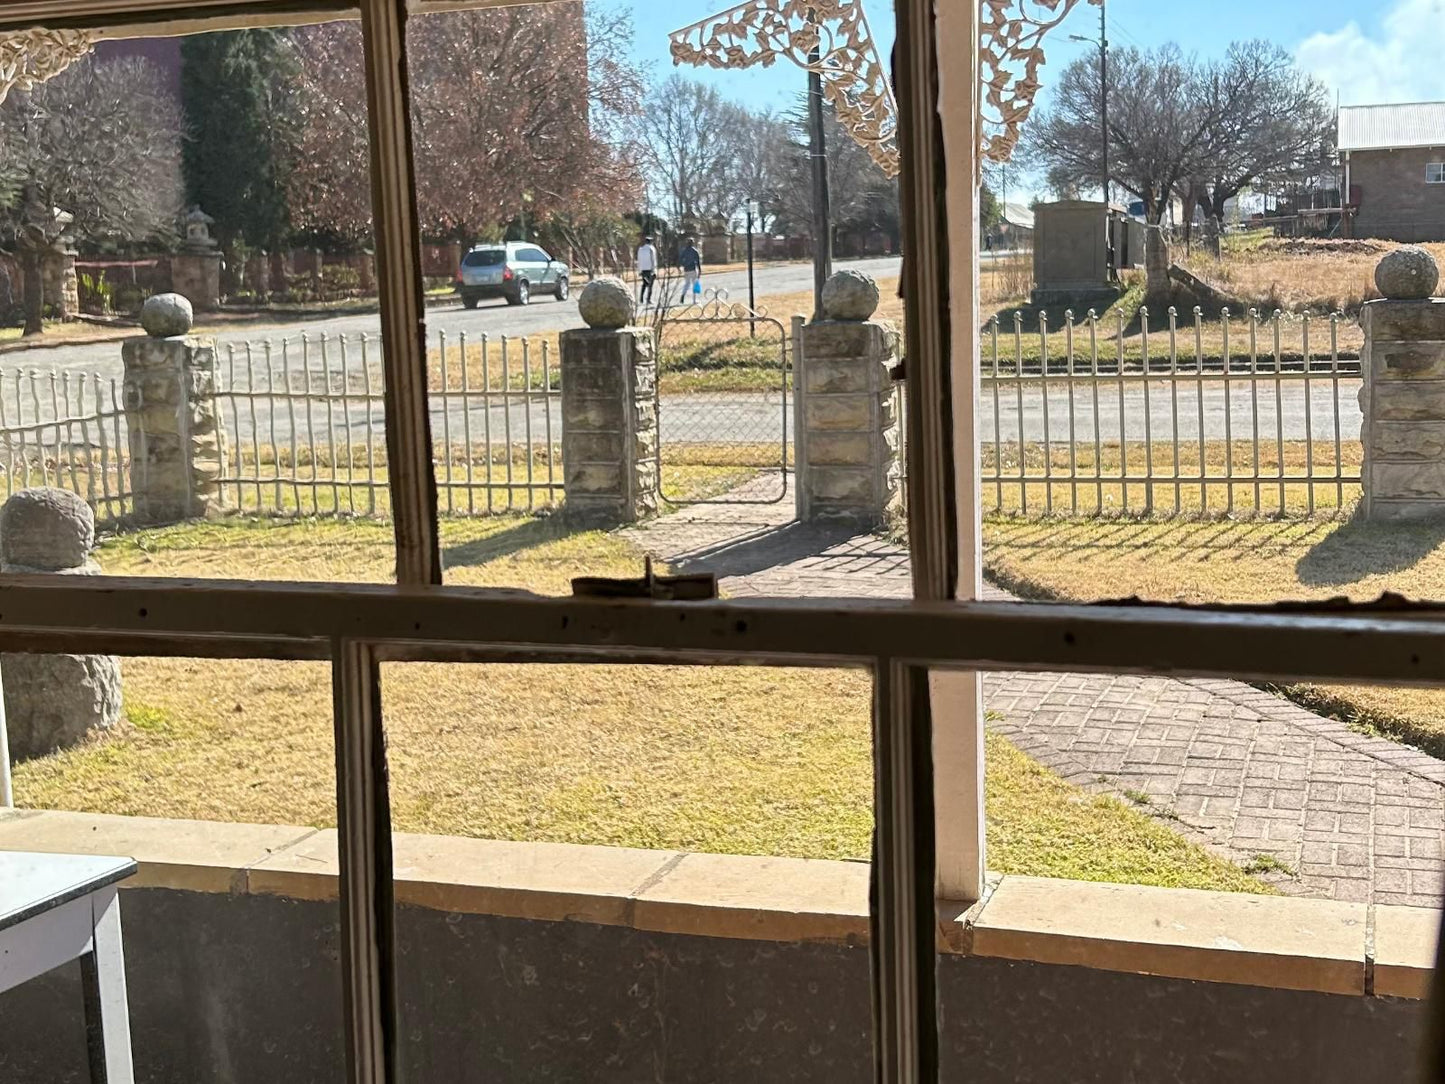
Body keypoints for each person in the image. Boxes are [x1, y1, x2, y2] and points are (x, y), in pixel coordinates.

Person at [636, 235, 658, 306]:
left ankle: (641, 298)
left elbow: (639, 260)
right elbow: (653, 260)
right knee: (650, 285)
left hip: (643, 269)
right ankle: (648, 299)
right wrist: (654, 270)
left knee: (644, 284)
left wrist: (639, 271)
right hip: (650, 269)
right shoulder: (652, 249)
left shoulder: (641, 249)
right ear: (651, 242)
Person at [678, 237, 703, 302]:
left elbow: (680, 259)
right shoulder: (695, 251)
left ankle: (683, 294)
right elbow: (698, 262)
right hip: (693, 269)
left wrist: (680, 267)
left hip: (686, 269)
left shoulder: (684, 250)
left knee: (687, 284)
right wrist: (699, 270)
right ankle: (694, 300)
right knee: (694, 284)